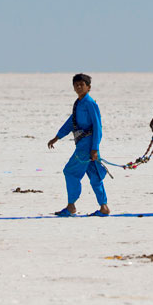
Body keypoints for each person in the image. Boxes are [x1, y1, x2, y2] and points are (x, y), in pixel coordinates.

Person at [47, 73, 110, 216]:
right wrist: (57, 137)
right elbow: (71, 122)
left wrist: (95, 148)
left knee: (70, 172)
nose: (79, 87)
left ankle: (71, 206)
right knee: (95, 177)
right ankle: (104, 207)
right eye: (76, 85)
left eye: (82, 84)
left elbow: (97, 126)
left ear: (89, 87)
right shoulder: (79, 103)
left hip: (86, 146)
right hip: (85, 145)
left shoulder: (90, 103)